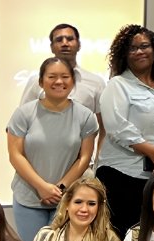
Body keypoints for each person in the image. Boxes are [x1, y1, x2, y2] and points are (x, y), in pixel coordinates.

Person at [97, 25, 154, 236]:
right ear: (124, 55)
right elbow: (117, 128)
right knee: (124, 240)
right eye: (132, 48)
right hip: (122, 175)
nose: (139, 52)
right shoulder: (117, 85)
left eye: (145, 46)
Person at [7, 57, 98, 241]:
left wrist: (61, 188)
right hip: (28, 198)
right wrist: (41, 186)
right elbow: (16, 155)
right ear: (41, 82)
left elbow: (84, 157)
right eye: (52, 77)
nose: (59, 82)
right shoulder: (23, 113)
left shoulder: (85, 116)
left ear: (73, 82)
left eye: (65, 76)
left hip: (67, 200)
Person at [19, 22, 105, 155]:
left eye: (70, 39)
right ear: (52, 47)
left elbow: (104, 127)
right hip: (40, 160)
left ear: (79, 45)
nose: (65, 43)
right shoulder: (36, 81)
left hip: (81, 163)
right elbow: (21, 124)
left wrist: (98, 160)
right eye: (59, 40)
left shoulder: (96, 82)